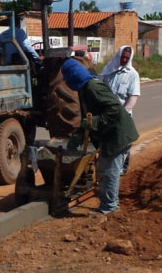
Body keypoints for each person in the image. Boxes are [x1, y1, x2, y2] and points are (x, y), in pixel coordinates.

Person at [60, 58, 139, 215]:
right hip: (112, 134)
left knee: (109, 173)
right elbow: (89, 117)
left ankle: (109, 208)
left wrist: (92, 122)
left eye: (66, 77)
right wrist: (79, 134)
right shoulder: (84, 89)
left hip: (118, 135)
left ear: (73, 76)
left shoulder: (92, 87)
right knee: (105, 171)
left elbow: (114, 110)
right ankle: (109, 205)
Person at [98, 45, 140, 173]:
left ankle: (122, 167)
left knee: (123, 142)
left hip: (123, 114)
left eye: (127, 58)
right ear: (118, 55)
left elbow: (133, 96)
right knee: (106, 141)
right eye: (122, 57)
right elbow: (100, 87)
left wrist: (124, 111)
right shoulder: (108, 70)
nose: (124, 60)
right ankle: (104, 166)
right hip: (107, 113)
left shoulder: (132, 75)